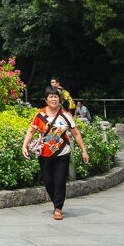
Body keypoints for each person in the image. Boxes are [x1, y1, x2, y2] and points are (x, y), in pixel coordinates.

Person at [22, 87, 90, 221]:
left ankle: (58, 208)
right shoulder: (40, 114)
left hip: (62, 153)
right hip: (44, 153)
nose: (53, 99)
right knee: (47, 180)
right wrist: (24, 146)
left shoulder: (66, 115)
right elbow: (31, 131)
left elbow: (75, 133)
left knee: (59, 180)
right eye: (51, 96)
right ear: (46, 99)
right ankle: (56, 201)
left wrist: (84, 150)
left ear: (60, 99)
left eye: (56, 96)